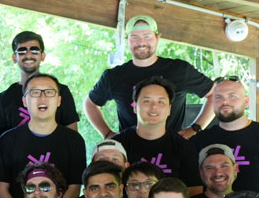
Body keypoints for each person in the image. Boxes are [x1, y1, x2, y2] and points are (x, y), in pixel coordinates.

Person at [85, 15, 215, 138]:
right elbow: (90, 104)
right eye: (135, 37)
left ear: (157, 39)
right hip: (130, 153)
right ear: (127, 40)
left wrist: (195, 128)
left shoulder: (180, 70)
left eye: (147, 36)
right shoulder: (113, 76)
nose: (141, 42)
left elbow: (214, 94)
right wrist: (107, 134)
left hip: (173, 151)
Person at [0, 72, 86, 198]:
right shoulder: (7, 140)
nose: (42, 98)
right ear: (25, 101)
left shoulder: (74, 140)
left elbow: (75, 186)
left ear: (59, 100)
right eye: (35, 92)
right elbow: (1, 187)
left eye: (49, 92)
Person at [114, 76, 199, 185]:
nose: (154, 106)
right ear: (135, 107)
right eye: (147, 101)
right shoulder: (117, 147)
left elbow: (194, 190)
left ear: (169, 109)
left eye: (161, 102)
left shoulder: (185, 148)